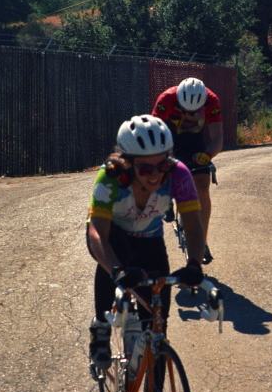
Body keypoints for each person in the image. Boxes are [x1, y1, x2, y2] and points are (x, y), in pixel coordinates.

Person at [86, 114, 206, 374]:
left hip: (150, 241)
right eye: (145, 169)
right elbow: (97, 232)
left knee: (157, 329)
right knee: (114, 252)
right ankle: (101, 327)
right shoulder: (109, 178)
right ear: (127, 164)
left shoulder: (179, 174)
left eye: (161, 166)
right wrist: (116, 271)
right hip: (113, 238)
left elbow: (194, 225)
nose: (155, 176)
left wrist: (194, 264)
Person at [151, 77, 222, 264]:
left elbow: (217, 138)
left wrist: (208, 154)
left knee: (203, 188)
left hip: (195, 146)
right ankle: (167, 195)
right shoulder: (166, 99)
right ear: (178, 101)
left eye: (194, 112)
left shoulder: (212, 101)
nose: (189, 115)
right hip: (168, 142)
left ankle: (202, 239)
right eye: (184, 111)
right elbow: (154, 133)